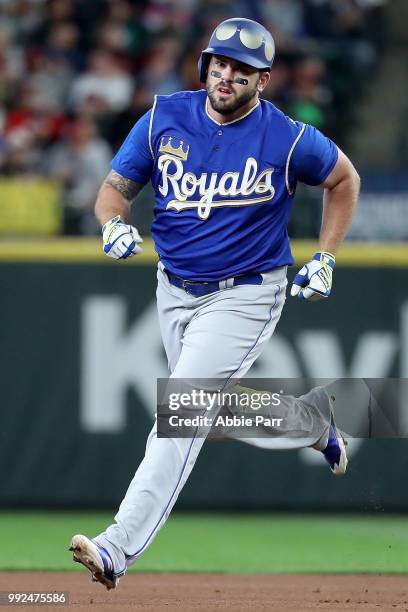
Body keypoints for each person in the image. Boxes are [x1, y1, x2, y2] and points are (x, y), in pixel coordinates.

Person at [69, 17, 360, 589]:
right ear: (207, 65)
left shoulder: (288, 137)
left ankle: (117, 547)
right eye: (219, 64)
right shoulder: (163, 118)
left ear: (264, 80)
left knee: (179, 413)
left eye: (242, 70)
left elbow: (344, 179)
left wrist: (325, 256)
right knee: (209, 409)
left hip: (247, 293)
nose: (226, 76)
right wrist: (110, 224)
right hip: (174, 290)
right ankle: (311, 422)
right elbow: (112, 192)